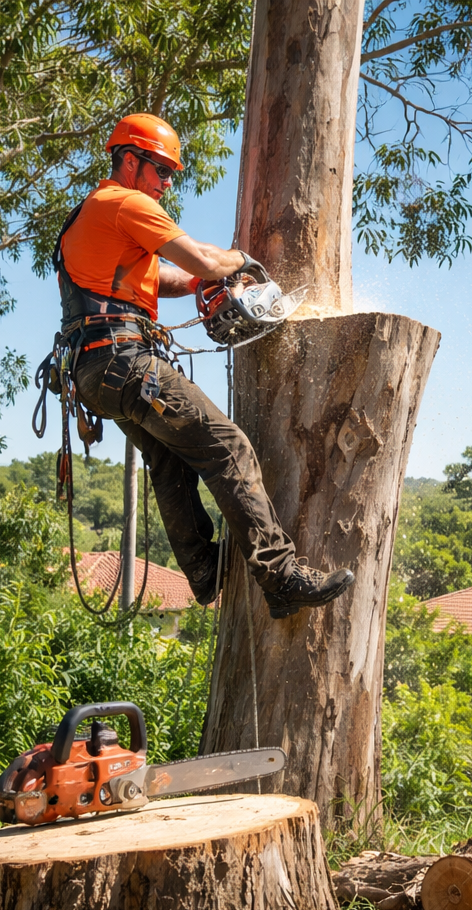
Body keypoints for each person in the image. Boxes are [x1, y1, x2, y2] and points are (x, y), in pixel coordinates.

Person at [57, 112, 353, 619]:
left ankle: (203, 570)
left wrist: (197, 283)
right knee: (228, 448)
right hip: (127, 363)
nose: (167, 183)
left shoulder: (93, 213)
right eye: (161, 170)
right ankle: (280, 576)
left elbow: (165, 279)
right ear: (130, 162)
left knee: (171, 461)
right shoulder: (127, 202)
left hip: (95, 373)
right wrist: (238, 261)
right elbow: (202, 259)